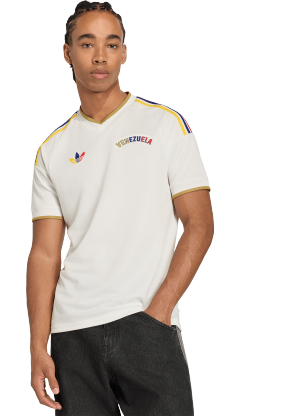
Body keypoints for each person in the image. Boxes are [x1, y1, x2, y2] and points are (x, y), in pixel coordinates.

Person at [26, 1, 214, 414]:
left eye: (111, 44)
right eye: (87, 43)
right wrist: (38, 345)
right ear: (67, 53)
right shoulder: (51, 149)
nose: (100, 56)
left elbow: (199, 224)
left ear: (124, 53)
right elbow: (44, 253)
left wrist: (160, 311)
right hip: (72, 336)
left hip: (145, 323)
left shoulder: (165, 124)